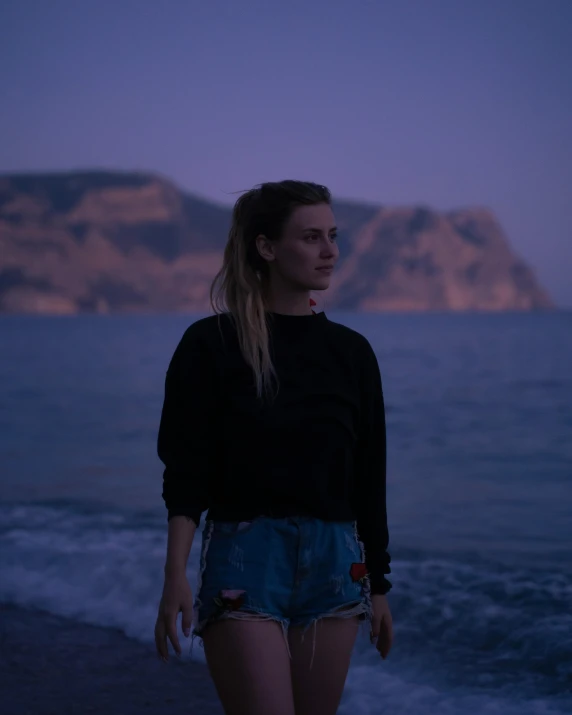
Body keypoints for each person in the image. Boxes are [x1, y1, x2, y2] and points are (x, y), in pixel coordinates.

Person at [154, 180, 393, 715]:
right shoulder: (209, 344)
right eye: (311, 237)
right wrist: (175, 574)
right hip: (245, 558)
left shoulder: (352, 353)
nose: (330, 251)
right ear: (266, 247)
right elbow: (186, 472)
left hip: (337, 564)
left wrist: (378, 585)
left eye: (332, 236)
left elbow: (368, 478)